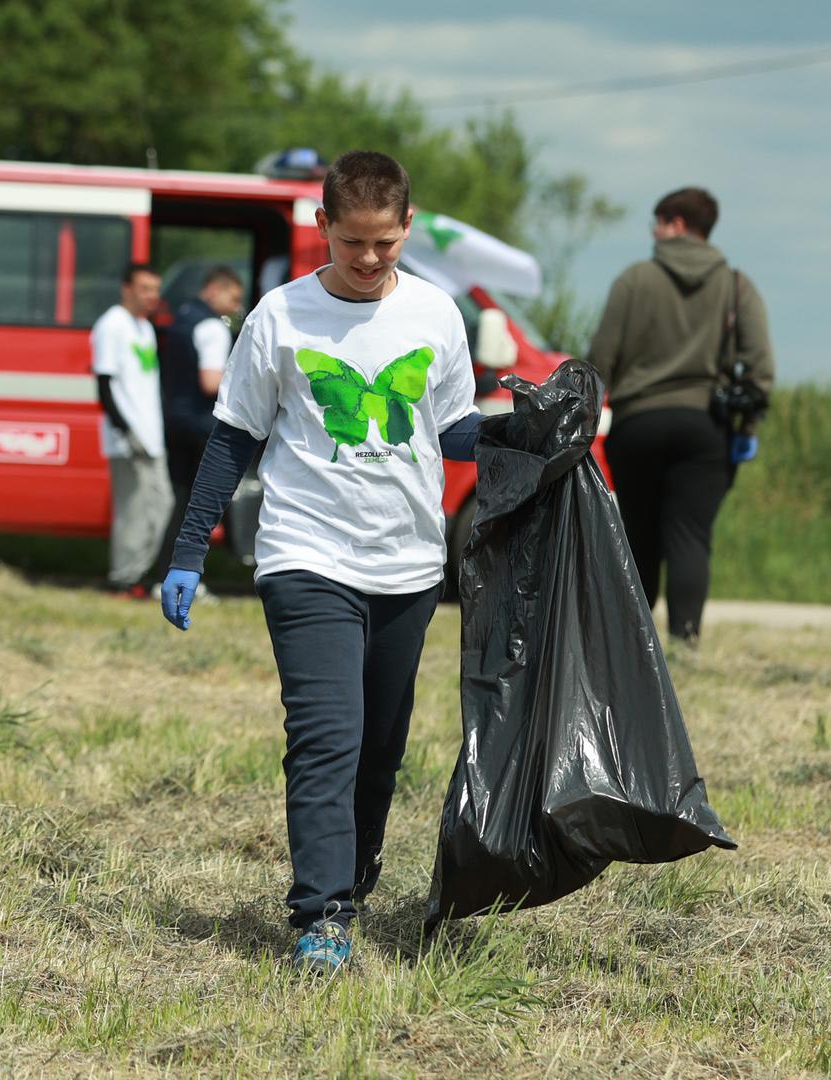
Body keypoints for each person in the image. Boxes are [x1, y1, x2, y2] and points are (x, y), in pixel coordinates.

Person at [156, 150, 484, 974]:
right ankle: (322, 914)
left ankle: (355, 868)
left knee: (380, 749)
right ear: (321, 229)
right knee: (325, 739)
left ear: (406, 227)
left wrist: (528, 430)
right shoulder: (279, 318)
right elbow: (234, 436)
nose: (369, 261)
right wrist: (189, 549)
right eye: (352, 244)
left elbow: (451, 434)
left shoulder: (437, 317)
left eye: (385, 244)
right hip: (306, 553)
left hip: (408, 565)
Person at [585, 187, 773, 645]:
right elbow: (761, 367)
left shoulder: (634, 280)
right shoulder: (736, 286)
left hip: (638, 425)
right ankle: (685, 641)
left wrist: (583, 419)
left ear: (679, 224)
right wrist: (746, 428)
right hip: (703, 426)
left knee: (639, 536)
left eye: (658, 221)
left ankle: (634, 645)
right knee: (690, 536)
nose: (653, 231)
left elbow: (599, 360)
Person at [157, 266, 244, 589]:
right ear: (214, 290)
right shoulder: (212, 327)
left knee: (178, 502)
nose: (236, 307)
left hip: (175, 420)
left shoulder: (182, 318)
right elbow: (210, 382)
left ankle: (160, 574)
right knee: (198, 507)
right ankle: (185, 572)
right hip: (200, 425)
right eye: (233, 298)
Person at [92, 263, 172, 597]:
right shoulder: (112, 325)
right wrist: (125, 431)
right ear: (127, 289)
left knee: (161, 505)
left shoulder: (145, 328)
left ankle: (137, 572)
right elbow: (104, 385)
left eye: (155, 289)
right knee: (133, 512)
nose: (152, 296)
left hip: (152, 437)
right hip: (128, 440)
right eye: (145, 289)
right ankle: (123, 578)